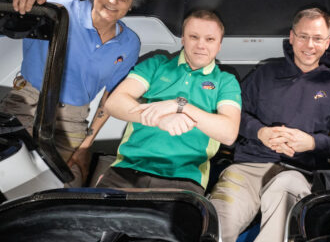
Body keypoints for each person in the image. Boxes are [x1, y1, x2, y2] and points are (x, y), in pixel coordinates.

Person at [209, 8, 330, 242]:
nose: (310, 45)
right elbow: (233, 117)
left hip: (298, 170)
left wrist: (311, 142)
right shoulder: (265, 73)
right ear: (291, 37)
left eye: (318, 38)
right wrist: (261, 132)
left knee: (286, 189)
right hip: (248, 166)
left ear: (328, 42)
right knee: (220, 217)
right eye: (303, 36)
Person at [0, 0, 143, 186]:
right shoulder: (54, 9)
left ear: (131, 4)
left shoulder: (129, 43)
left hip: (74, 120)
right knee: (11, 179)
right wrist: (18, 3)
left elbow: (111, 97)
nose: (114, 0)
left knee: (67, 187)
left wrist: (86, 145)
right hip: (29, 103)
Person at [94, 10, 241, 195]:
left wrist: (179, 106)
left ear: (219, 44)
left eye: (210, 39)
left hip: (184, 178)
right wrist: (160, 119)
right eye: (194, 37)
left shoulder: (226, 81)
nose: (201, 45)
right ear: (183, 39)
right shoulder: (156, 64)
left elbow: (228, 133)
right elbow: (114, 103)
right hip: (127, 169)